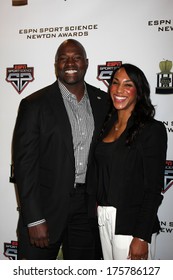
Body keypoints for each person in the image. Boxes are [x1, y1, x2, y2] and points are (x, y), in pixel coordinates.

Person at [12, 39, 110, 260]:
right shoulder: (34, 104)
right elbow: (25, 166)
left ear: (86, 63)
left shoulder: (103, 102)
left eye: (76, 57)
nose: (70, 63)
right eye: (63, 58)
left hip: (87, 211)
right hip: (46, 209)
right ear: (56, 64)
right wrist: (34, 219)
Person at [88, 63, 167, 260]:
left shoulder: (151, 130)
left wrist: (141, 236)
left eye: (128, 85)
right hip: (103, 220)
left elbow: (153, 188)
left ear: (139, 92)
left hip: (131, 224)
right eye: (115, 83)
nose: (119, 90)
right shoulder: (105, 126)